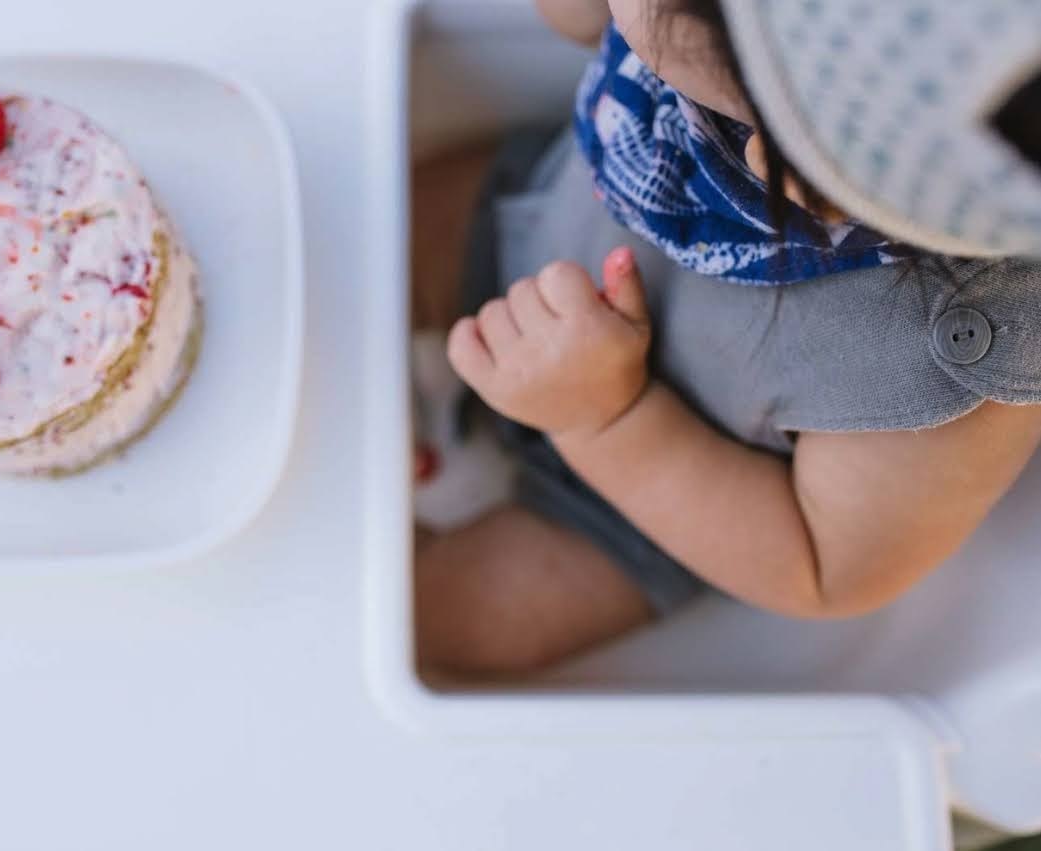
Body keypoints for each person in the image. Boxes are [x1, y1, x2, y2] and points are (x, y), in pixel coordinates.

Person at [413, 0, 1041, 675]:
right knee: (383, 212)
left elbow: (820, 567)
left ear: (789, 172)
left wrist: (602, 418)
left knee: (448, 624)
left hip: (638, 490)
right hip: (534, 231)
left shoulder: (945, 348)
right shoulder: (733, 47)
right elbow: (587, 21)